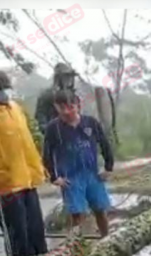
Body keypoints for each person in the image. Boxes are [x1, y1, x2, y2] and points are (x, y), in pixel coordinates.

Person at [0, 70, 49, 256]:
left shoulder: (16, 109)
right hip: (4, 187)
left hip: (28, 181)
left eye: (6, 88)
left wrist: (39, 167)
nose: (4, 92)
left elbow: (27, 142)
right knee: (18, 239)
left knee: (37, 234)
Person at [43, 90, 114, 238]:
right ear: (56, 107)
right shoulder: (53, 128)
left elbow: (105, 144)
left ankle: (106, 240)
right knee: (77, 214)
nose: (67, 111)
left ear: (78, 105)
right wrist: (54, 177)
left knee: (100, 210)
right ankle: (78, 247)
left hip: (92, 174)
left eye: (71, 107)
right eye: (62, 108)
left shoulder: (91, 123)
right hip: (71, 178)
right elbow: (47, 155)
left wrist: (108, 167)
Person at [35, 62, 80, 130]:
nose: (69, 80)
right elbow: (41, 116)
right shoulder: (48, 95)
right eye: (66, 77)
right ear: (58, 78)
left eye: (70, 77)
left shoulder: (74, 96)